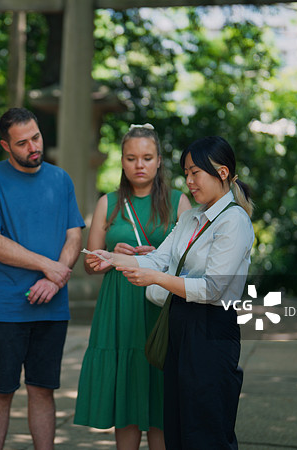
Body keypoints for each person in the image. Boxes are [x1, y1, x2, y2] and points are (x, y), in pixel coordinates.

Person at [87, 136, 254, 449]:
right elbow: (159, 257)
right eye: (186, 173)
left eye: (195, 173)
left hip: (212, 328)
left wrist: (156, 278)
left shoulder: (234, 221)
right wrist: (113, 258)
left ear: (221, 172)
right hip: (180, 323)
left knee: (206, 427)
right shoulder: (191, 217)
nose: (189, 181)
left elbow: (213, 289)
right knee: (177, 424)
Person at [0, 107, 85, 450]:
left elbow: (74, 236)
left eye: (36, 137)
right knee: (1, 390)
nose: (33, 147)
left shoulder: (60, 179)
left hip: (53, 307)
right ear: (6, 145)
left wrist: (55, 279)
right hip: (5, 308)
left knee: (43, 390)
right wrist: (48, 266)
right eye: (22, 143)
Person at [75, 123, 190, 450]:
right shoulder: (107, 203)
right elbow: (89, 263)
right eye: (131, 157)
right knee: (126, 395)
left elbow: (190, 262)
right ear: (123, 162)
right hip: (119, 305)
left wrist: (159, 256)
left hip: (160, 302)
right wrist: (111, 255)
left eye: (147, 157)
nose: (139, 164)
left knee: (160, 397)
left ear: (158, 162)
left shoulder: (180, 202)